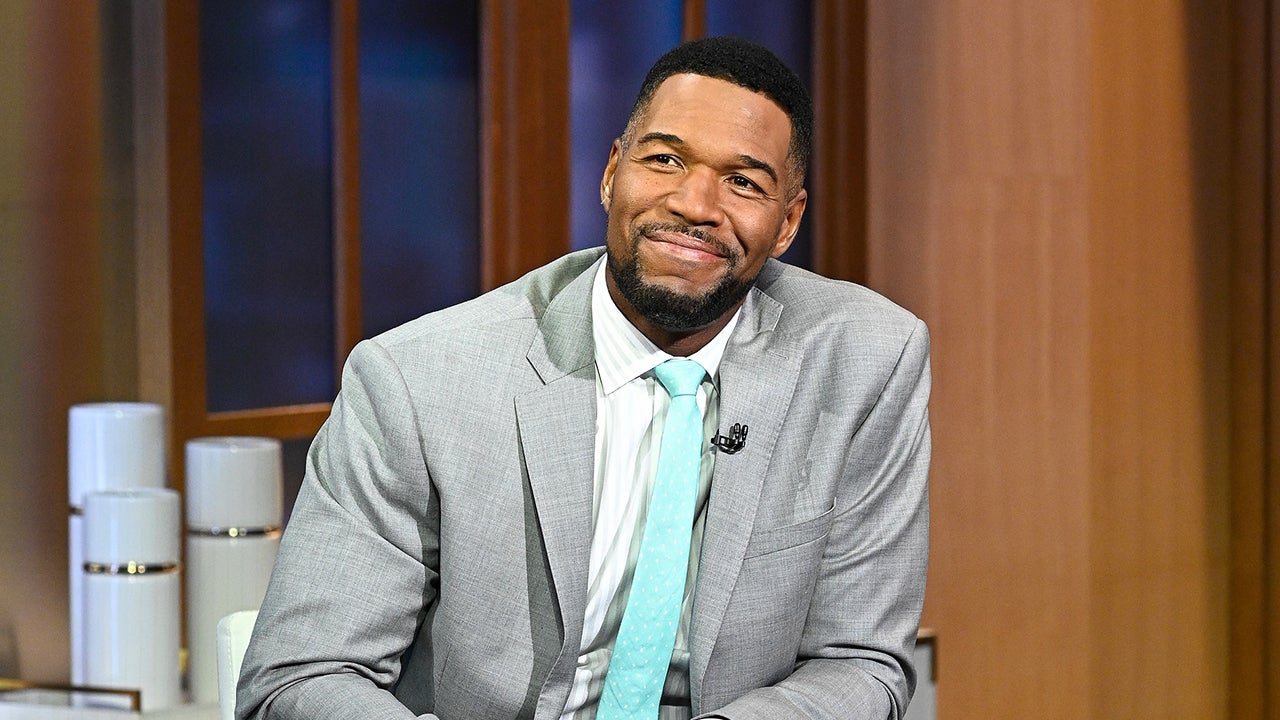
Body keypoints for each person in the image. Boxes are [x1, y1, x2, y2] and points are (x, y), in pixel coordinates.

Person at [237, 36, 930, 720]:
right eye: (665, 160)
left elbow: (861, 662)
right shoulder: (419, 382)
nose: (695, 204)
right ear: (611, 173)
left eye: (743, 182)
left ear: (787, 224)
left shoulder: (866, 361)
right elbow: (302, 676)